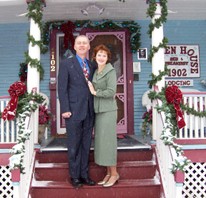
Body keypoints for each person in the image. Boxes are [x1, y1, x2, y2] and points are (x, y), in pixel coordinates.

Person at [58, 35, 97, 188]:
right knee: (74, 144)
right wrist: (65, 109)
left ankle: (84, 175)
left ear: (89, 47)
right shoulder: (66, 64)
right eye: (79, 43)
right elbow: (62, 88)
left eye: (84, 43)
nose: (81, 45)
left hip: (89, 110)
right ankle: (75, 177)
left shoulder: (92, 66)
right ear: (74, 47)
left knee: (86, 144)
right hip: (73, 111)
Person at [88, 44, 119, 187]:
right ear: (95, 56)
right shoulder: (96, 71)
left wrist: (95, 93)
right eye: (99, 55)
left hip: (108, 111)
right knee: (102, 143)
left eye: (104, 55)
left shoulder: (110, 71)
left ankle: (114, 173)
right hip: (98, 110)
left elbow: (111, 91)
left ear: (108, 58)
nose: (101, 58)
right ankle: (107, 173)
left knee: (109, 143)